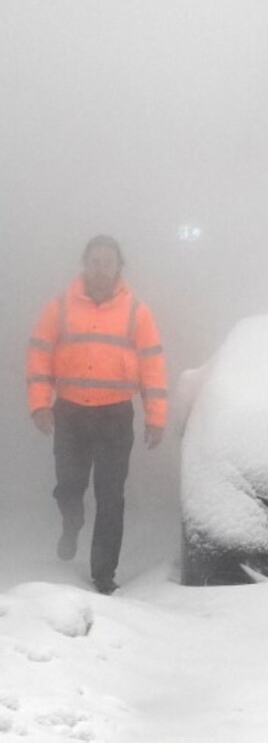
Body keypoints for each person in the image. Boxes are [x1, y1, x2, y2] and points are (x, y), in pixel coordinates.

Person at [26, 235, 168, 595]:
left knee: (110, 495)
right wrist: (39, 404)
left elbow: (152, 364)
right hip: (70, 412)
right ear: (84, 264)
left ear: (119, 266)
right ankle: (71, 520)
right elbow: (40, 354)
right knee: (69, 485)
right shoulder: (60, 307)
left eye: (108, 261)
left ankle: (103, 574)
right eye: (94, 260)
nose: (101, 267)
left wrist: (156, 416)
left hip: (115, 416)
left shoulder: (137, 312)